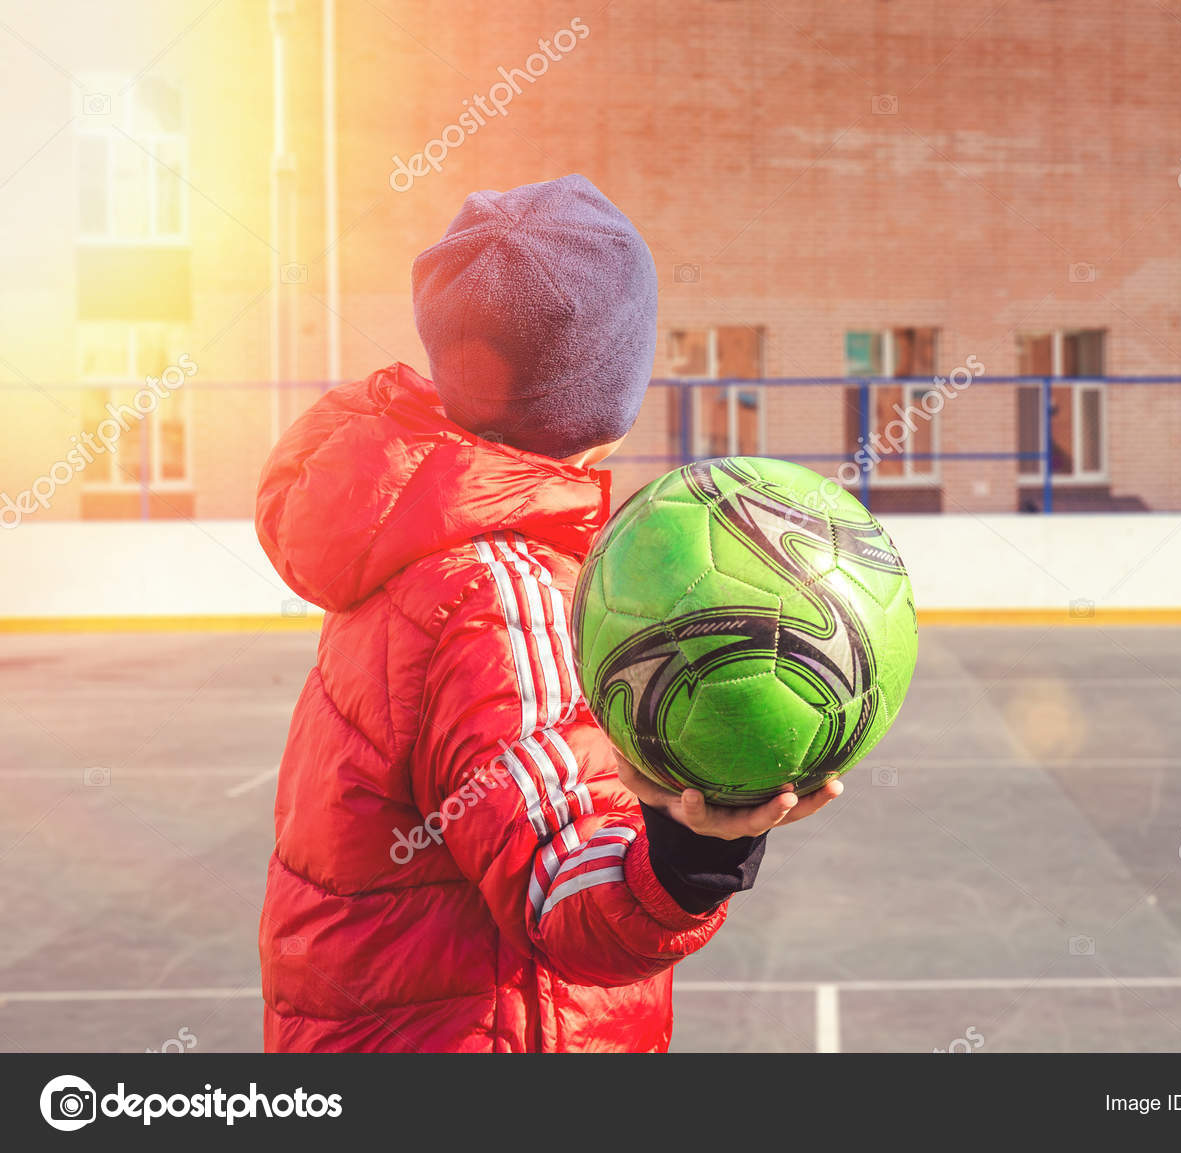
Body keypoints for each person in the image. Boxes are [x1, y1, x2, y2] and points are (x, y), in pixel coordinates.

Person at [254, 175, 841, 1051]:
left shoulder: (420, 536)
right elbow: (571, 902)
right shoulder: (499, 591)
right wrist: (693, 851)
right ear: (608, 385)